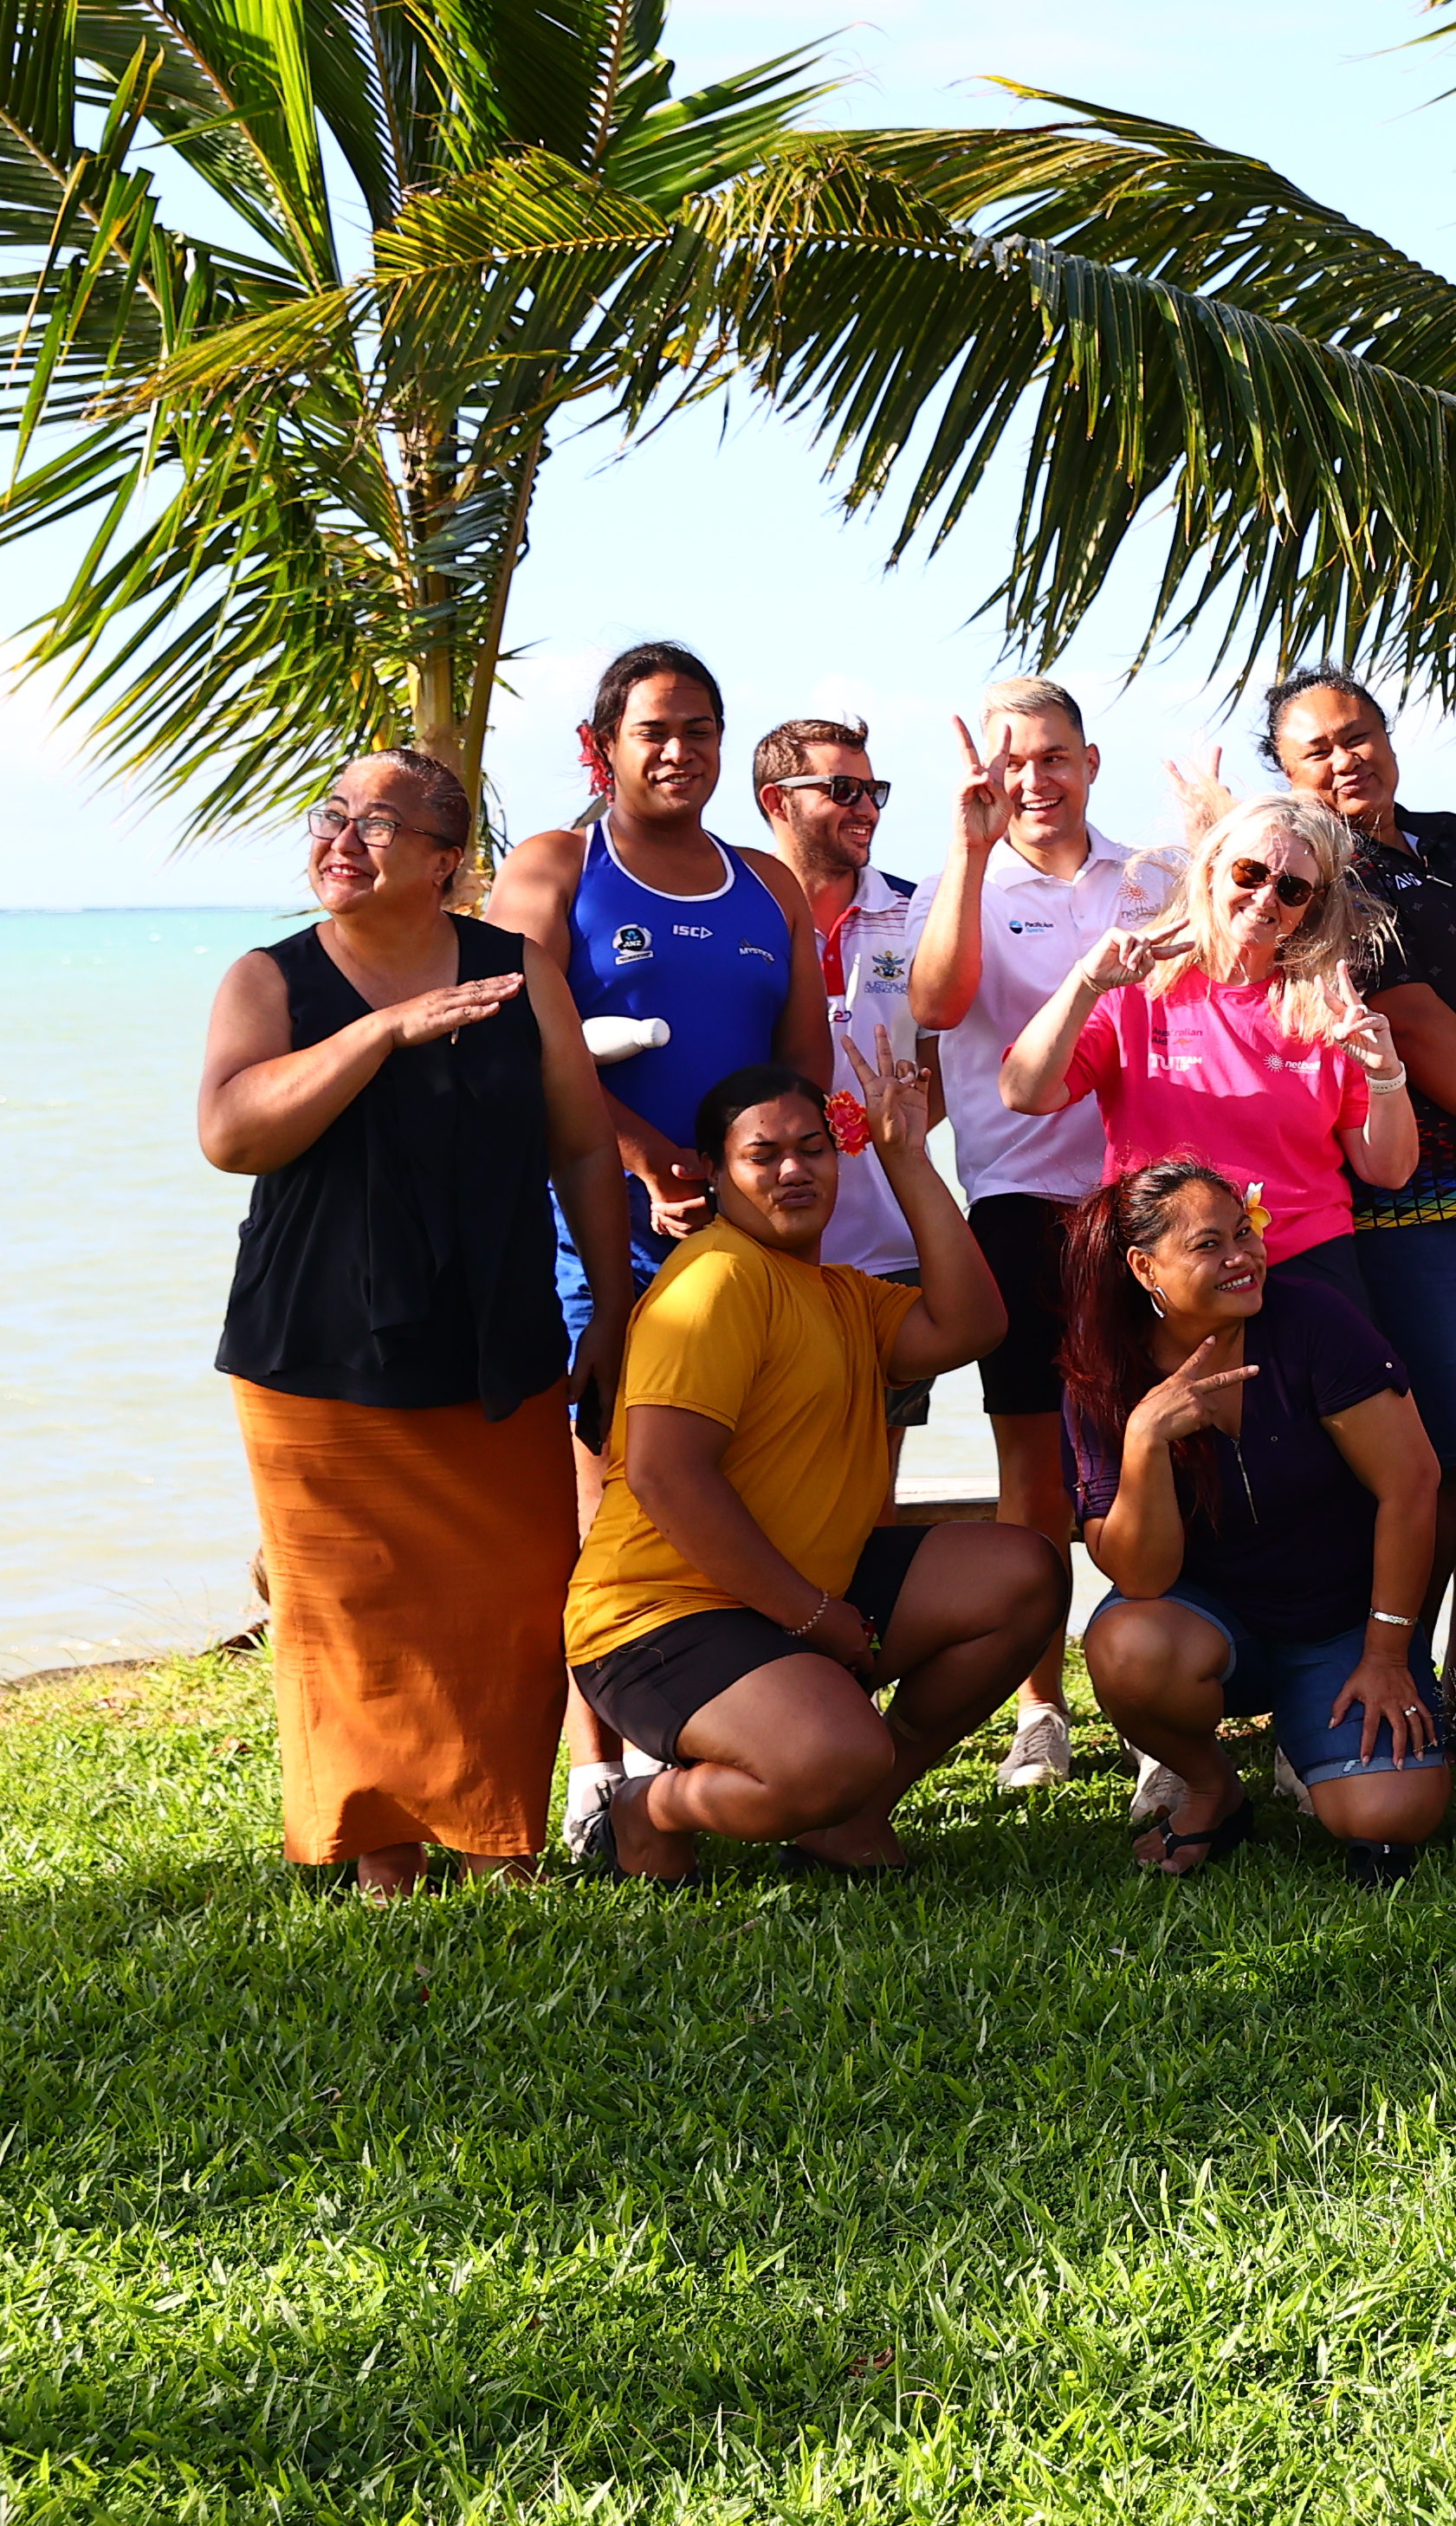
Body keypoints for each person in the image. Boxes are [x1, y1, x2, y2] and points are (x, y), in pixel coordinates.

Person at [198, 749, 631, 1893]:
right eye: (330, 813)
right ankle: (382, 1855)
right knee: (354, 1612)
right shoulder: (271, 979)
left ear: (446, 861)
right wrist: (378, 1036)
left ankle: (498, 1839)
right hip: (315, 1348)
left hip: (498, 1336)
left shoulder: (518, 968)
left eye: (377, 824)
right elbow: (234, 1133)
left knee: (515, 1598)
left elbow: (583, 1145)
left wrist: (611, 1302)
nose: (341, 837)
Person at [560, 1056, 1071, 1883]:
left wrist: (907, 1158)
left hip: (799, 1592)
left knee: (1020, 1572)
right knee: (832, 1752)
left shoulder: (841, 1293)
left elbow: (974, 1324)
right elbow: (666, 1477)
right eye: (763, 1156)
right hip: (656, 1620)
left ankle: (855, 1813)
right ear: (716, 1176)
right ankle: (644, 1811)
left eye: (815, 1148)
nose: (794, 1169)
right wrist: (812, 1617)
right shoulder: (717, 1280)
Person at [489, 642, 831, 1823]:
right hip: (605, 1242)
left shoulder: (768, 887)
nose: (679, 751)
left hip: (748, 1247)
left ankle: (731, 1733)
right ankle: (599, 1776)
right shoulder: (553, 867)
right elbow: (515, 1044)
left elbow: (806, 1068)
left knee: (750, 1488)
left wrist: (751, 1192)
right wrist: (640, 1158)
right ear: (602, 748)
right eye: (654, 731)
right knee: (608, 1503)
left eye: (699, 730)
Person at [1236, 667, 1456, 1734]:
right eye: (1318, 751)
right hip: (1415, 1203)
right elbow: (1415, 1024)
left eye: (1361, 735)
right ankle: (1412, 1670)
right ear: (1286, 775)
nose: (1348, 760)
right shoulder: (1315, 884)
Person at [909, 672, 1176, 1788]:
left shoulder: (1156, 879)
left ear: (1090, 763)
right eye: (1011, 761)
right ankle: (1039, 1707)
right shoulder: (955, 879)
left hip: (1151, 1201)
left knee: (1153, 1445)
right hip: (1020, 1201)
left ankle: (1156, 1694)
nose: (1033, 779)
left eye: (1052, 756)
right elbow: (933, 1004)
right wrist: (971, 854)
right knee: (1032, 1463)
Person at [1064, 1159, 1453, 1879]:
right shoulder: (1103, 1371)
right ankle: (1214, 1788)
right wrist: (1147, 1438)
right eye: (1209, 1245)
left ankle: (1317, 1734)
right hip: (1209, 1625)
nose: (1243, 1257)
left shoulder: (1315, 1320)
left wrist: (1386, 1656)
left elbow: (1412, 1483)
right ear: (1145, 1268)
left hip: (1342, 1624)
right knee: (1126, 1645)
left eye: (1245, 1232)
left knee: (1390, 1817)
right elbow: (1141, 1576)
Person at [1000, 797, 1420, 1318]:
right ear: (1211, 868)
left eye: (1292, 889)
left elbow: (1389, 1170)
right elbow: (1023, 1093)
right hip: (1168, 1271)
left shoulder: (1328, 1009)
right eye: (1250, 872)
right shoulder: (1137, 990)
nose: (1266, 897)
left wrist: (1386, 1075)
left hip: (1302, 1263)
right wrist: (1085, 982)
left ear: (1311, 905)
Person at [751, 715, 932, 1303]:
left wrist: (885, 1136)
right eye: (842, 790)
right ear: (777, 801)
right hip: (766, 1251)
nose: (867, 810)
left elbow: (942, 1059)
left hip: (898, 1249)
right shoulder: (736, 915)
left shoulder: (918, 914)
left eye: (873, 792)